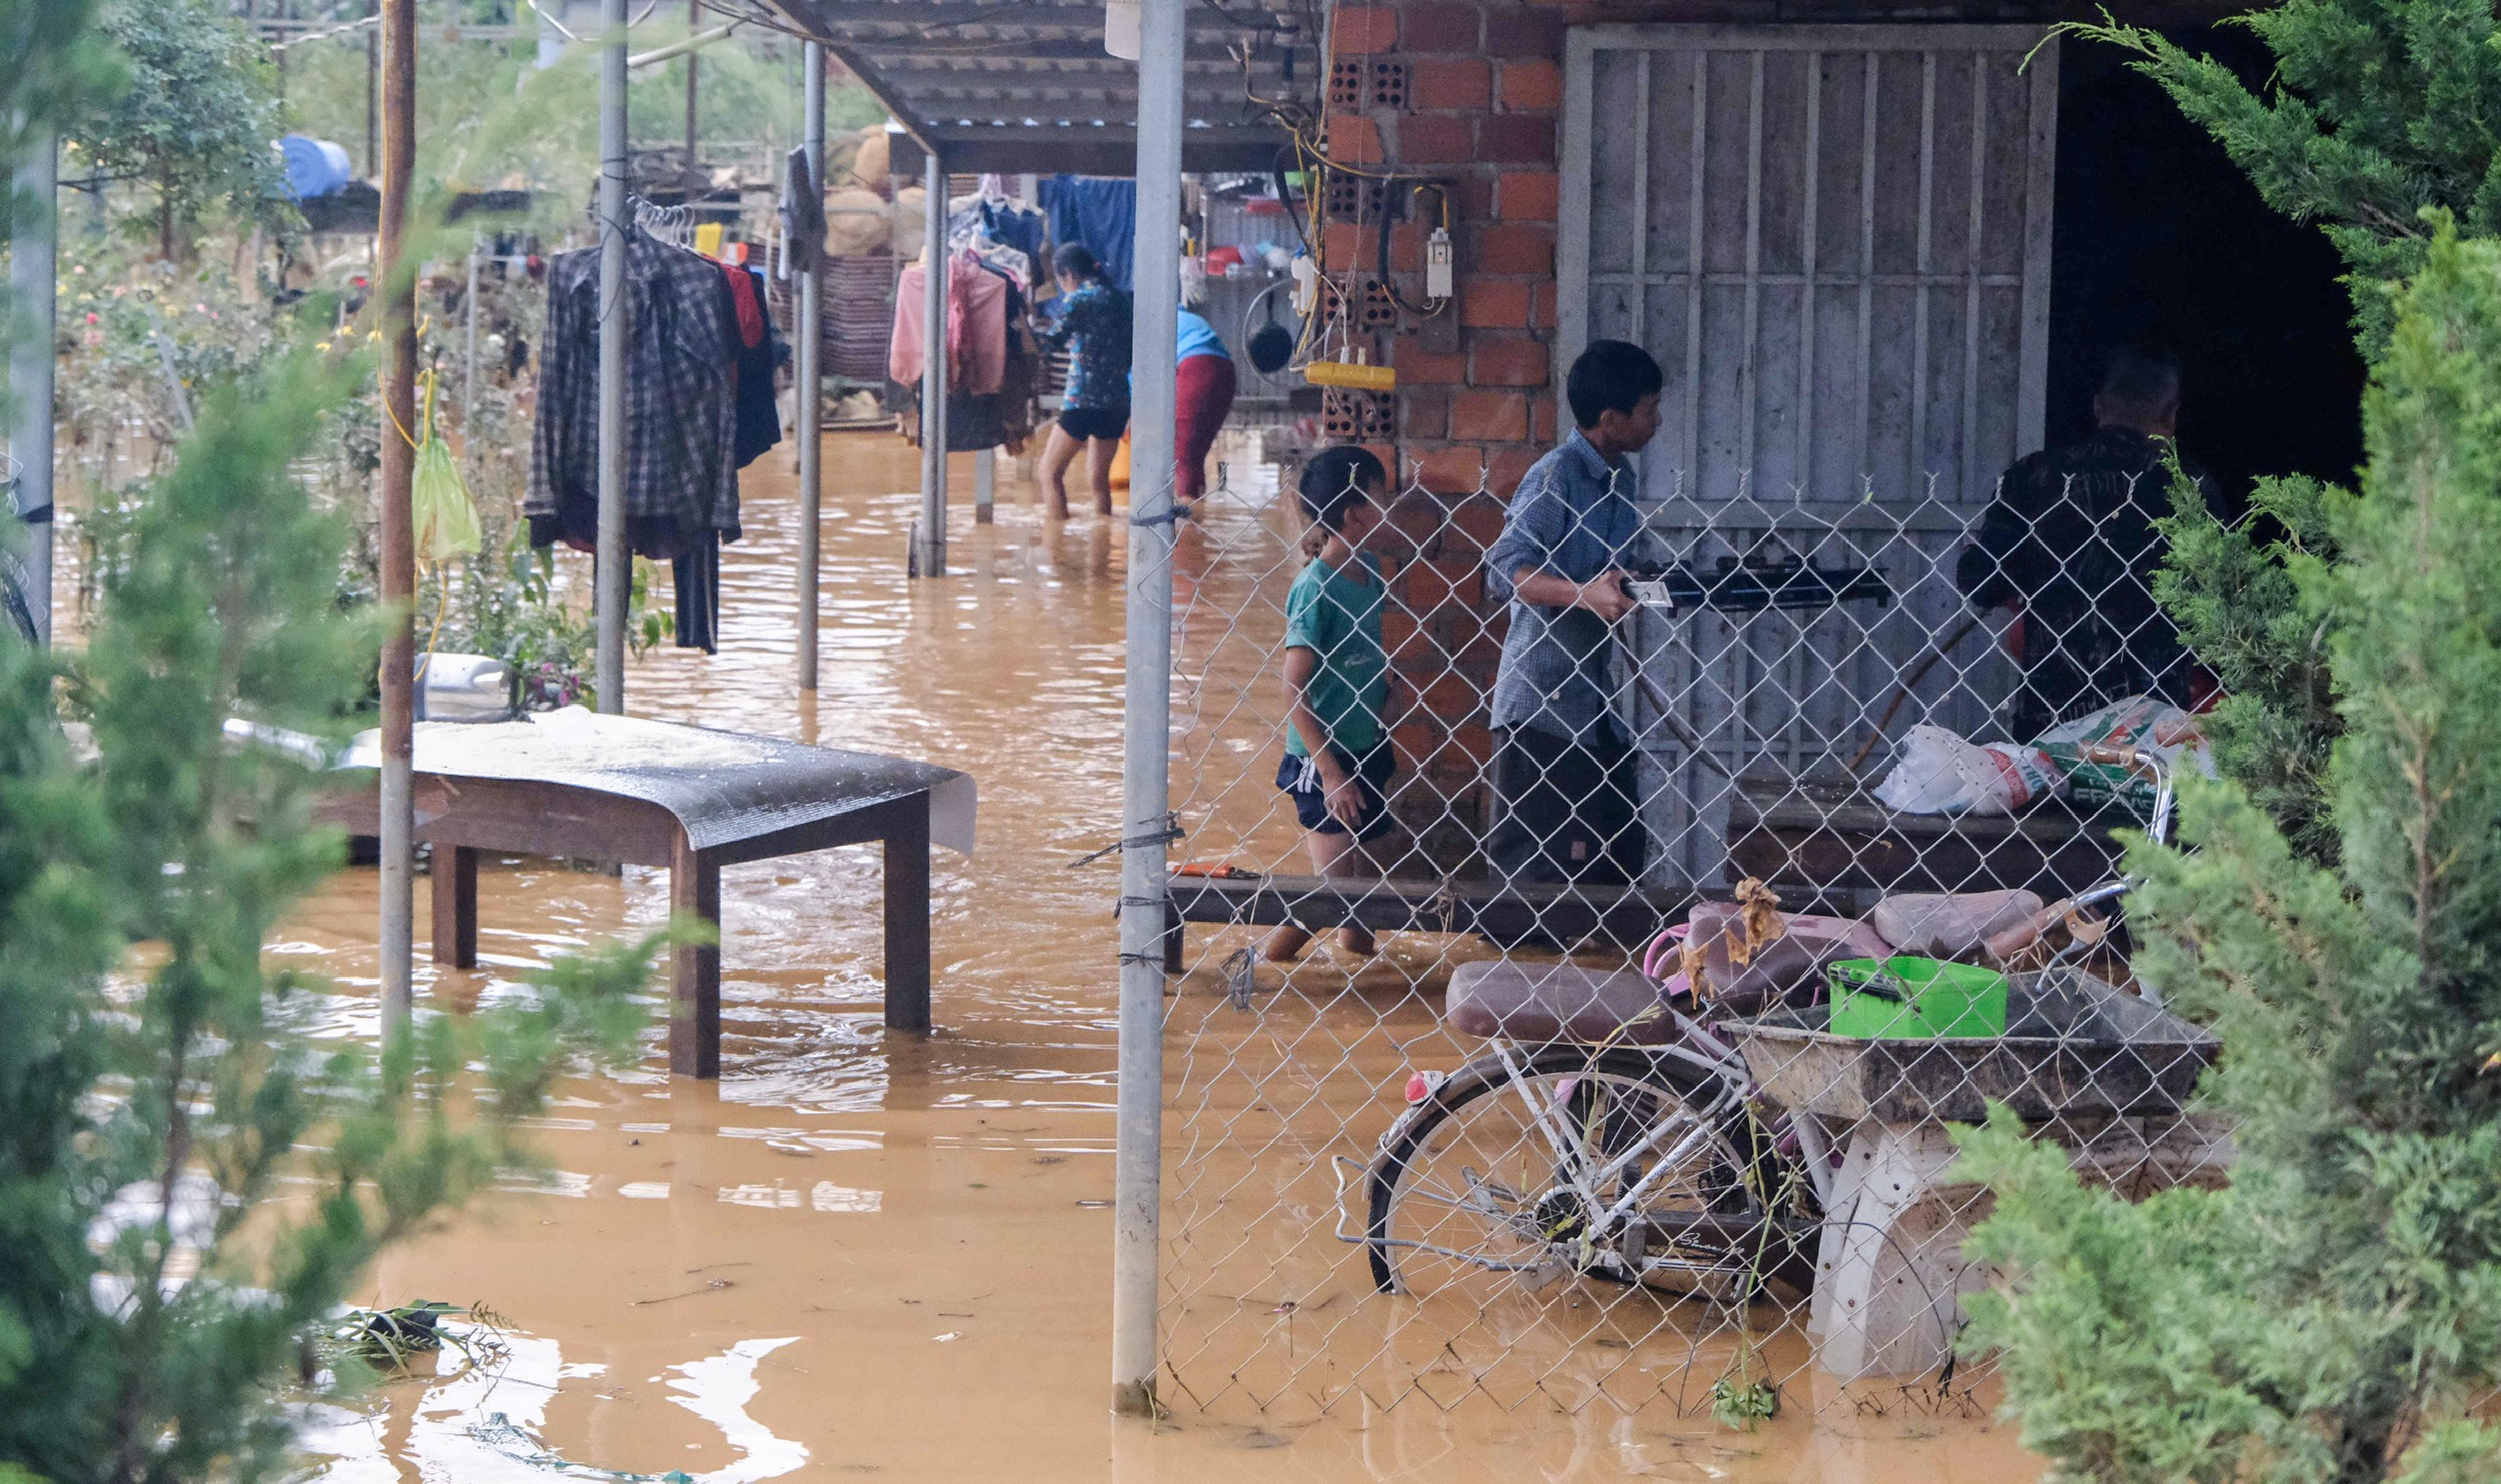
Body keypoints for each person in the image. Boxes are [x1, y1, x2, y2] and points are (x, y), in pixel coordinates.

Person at [1956, 347, 2228, 739]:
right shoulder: (2192, 487)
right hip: (2154, 722)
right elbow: (2218, 599)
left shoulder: (2033, 476)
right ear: (2170, 415)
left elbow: (1982, 582)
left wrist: (2027, 578)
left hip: (2051, 720)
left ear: (2098, 405)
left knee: (2048, 794)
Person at [1481, 340, 1667, 888]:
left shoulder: (1621, 480)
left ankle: (1601, 965)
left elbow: (1617, 572)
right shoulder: (1554, 475)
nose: (1657, 421)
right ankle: (1514, 967)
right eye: (1649, 408)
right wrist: (1585, 595)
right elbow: (1502, 570)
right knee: (1529, 872)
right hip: (1538, 703)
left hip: (1591, 699)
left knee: (1618, 852)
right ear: (1611, 419)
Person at [1262, 446, 1397, 964]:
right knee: (1327, 902)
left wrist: (1386, 691)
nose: (1391, 505)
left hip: (1366, 749)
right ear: (1355, 514)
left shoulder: (1370, 572)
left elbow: (1359, 658)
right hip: (1326, 763)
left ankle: (1360, 986)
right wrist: (1331, 772)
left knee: (1363, 909)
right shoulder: (1314, 588)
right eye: (1382, 495)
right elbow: (1293, 689)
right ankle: (1262, 967)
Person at [1032, 244, 1132, 519]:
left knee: (1049, 472)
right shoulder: (1120, 299)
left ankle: (1058, 547)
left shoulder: (1078, 299)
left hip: (1082, 402)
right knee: (1099, 481)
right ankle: (1103, 547)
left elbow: (1051, 343)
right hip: (1117, 403)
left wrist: (1024, 331)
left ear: (1068, 276)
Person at [1172, 303, 1237, 508]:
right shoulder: (1189, 319)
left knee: (1182, 456)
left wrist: (1131, 412)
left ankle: (1188, 532)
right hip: (1224, 371)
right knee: (1193, 455)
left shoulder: (1154, 321)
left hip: (1196, 369)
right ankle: (1197, 519)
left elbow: (1137, 372)